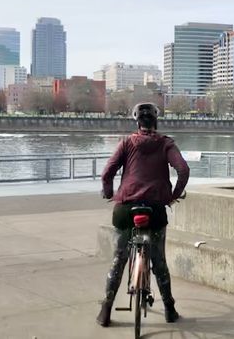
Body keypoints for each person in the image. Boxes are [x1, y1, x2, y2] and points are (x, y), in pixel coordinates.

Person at [97, 102, 190, 327]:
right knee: (159, 260)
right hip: (156, 209)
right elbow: (183, 170)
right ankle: (169, 308)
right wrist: (173, 195)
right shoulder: (166, 144)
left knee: (119, 258)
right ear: (156, 122)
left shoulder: (127, 143)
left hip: (125, 209)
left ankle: (106, 311)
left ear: (136, 122)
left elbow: (107, 172)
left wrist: (109, 192)